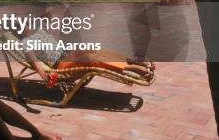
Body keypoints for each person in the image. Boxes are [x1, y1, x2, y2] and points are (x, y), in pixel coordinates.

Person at [22, 6, 155, 84]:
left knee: (92, 48)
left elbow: (47, 12)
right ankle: (129, 68)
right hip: (60, 64)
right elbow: (35, 62)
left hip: (68, 54)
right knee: (89, 60)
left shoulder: (39, 30)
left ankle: (132, 61)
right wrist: (46, 76)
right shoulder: (26, 43)